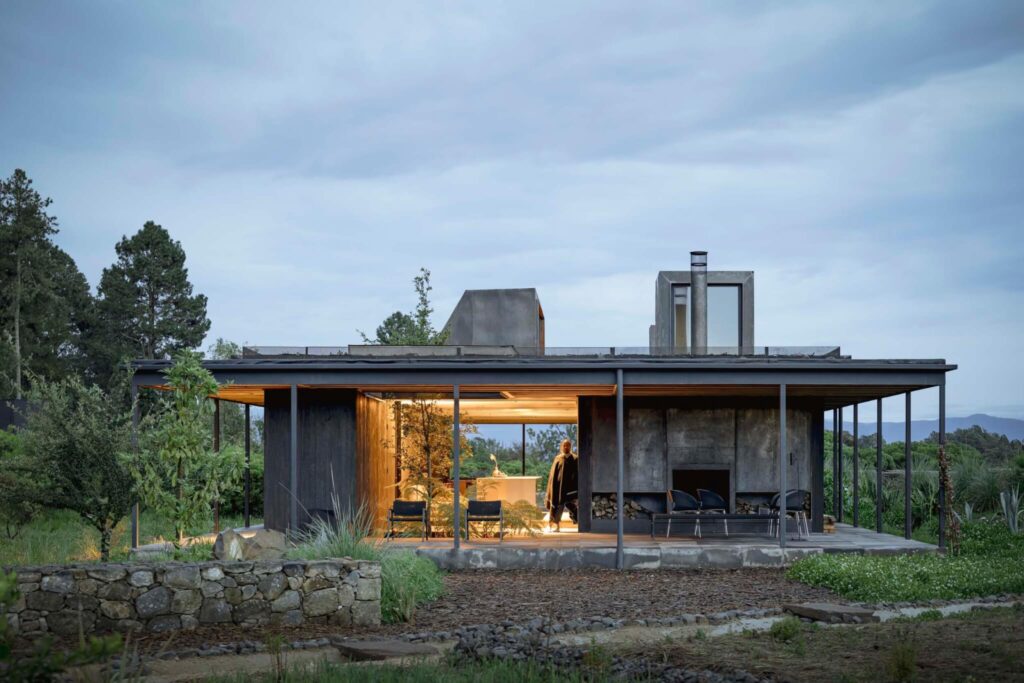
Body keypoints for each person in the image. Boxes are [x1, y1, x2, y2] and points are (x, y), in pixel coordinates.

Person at [545, 439, 579, 531]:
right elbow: (553, 474)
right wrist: (551, 488)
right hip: (558, 488)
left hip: (570, 489)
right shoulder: (558, 458)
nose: (566, 447)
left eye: (568, 445)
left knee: (572, 507)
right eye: (564, 445)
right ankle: (556, 526)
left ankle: (580, 524)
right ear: (561, 447)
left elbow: (577, 474)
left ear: (570, 447)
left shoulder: (575, 459)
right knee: (557, 506)